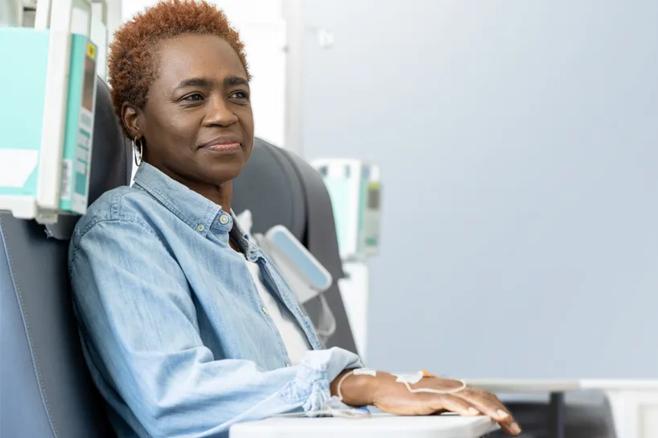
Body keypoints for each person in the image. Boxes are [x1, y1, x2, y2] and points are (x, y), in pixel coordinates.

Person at [68, 1, 520, 436]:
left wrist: (394, 386)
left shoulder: (240, 244)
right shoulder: (124, 230)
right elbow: (172, 399)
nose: (224, 114)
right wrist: (349, 384)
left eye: (238, 93)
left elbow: (288, 397)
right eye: (193, 98)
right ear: (134, 120)